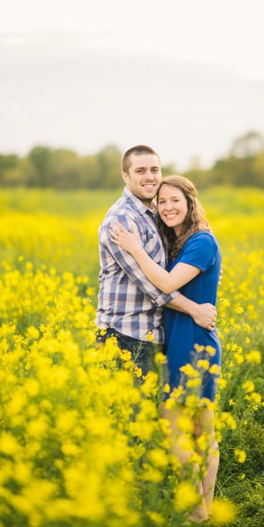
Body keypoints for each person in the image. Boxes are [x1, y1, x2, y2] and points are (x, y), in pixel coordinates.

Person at [110, 174, 222, 523]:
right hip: (185, 337)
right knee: (202, 431)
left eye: (175, 200)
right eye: (162, 202)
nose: (168, 207)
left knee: (174, 428)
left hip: (192, 343)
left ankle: (196, 510)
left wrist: (135, 248)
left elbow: (168, 284)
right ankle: (204, 511)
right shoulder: (178, 243)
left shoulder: (202, 242)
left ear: (190, 203)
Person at [96, 145, 217, 381]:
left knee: (152, 416)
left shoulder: (155, 213)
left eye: (155, 169)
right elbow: (153, 286)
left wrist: (207, 272)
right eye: (140, 171)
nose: (150, 176)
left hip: (154, 335)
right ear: (125, 176)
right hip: (125, 335)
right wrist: (195, 310)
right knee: (128, 416)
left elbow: (175, 260)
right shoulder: (122, 220)